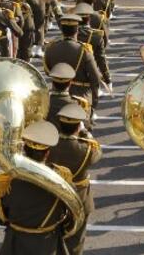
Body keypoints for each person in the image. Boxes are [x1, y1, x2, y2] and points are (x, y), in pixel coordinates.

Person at [0, 120, 71, 254]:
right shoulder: (62, 177)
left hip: (15, 243)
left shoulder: (5, 180)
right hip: (48, 243)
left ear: (24, 150)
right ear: (47, 153)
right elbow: (71, 212)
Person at [47, 103, 102, 255]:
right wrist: (85, 133)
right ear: (78, 126)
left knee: (52, 234)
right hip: (80, 195)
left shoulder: (48, 146)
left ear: (59, 125)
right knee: (76, 239)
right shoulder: (87, 149)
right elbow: (98, 153)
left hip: (53, 195)